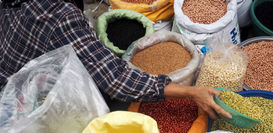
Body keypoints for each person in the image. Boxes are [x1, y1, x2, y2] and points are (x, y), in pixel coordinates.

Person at [0, 0, 231, 120]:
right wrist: (191, 92)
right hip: (26, 110)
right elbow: (116, 80)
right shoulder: (59, 17)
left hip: (16, 82)